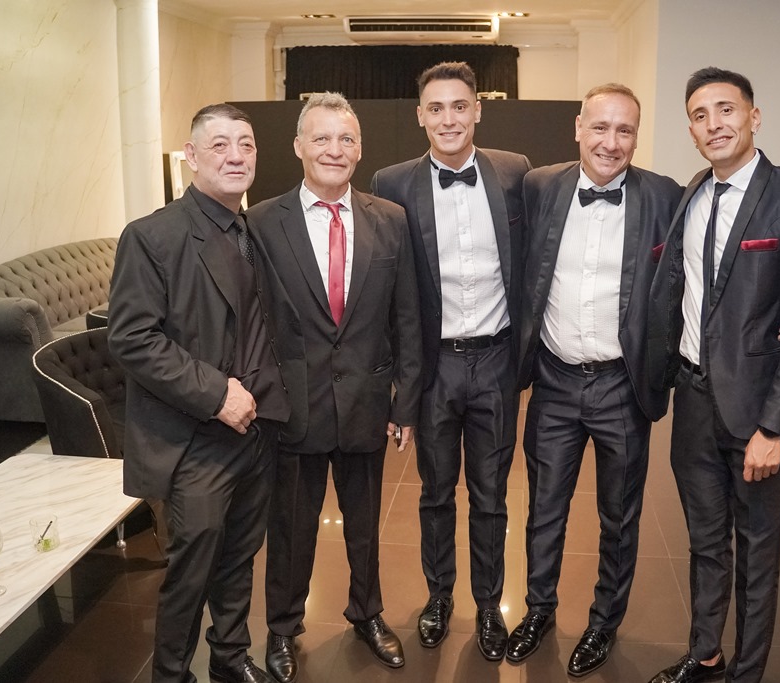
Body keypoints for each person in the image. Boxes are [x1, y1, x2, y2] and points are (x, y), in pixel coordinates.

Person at [645, 67, 780, 683]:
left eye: (726, 110)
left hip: (756, 412)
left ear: (754, 116)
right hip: (693, 401)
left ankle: (746, 674)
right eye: (700, 116)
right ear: (692, 131)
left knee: (756, 553)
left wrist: (774, 426)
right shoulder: (693, 195)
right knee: (704, 542)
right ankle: (705, 655)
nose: (714, 124)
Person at [107, 103, 287, 683]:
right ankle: (171, 675)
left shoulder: (257, 230)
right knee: (191, 572)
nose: (236, 156)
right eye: (219, 145)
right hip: (196, 438)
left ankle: (230, 661)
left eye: (246, 144)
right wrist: (216, 394)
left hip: (257, 431)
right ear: (190, 156)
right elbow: (132, 339)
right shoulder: (152, 236)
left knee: (239, 558)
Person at [247, 92, 423, 683]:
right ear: (298, 146)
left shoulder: (390, 219)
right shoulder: (262, 222)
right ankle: (282, 627)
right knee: (291, 529)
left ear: (360, 149)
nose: (334, 149)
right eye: (321, 138)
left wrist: (406, 401)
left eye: (346, 139)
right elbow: (253, 321)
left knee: (366, 525)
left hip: (367, 404)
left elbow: (407, 317)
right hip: (292, 408)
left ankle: (367, 614)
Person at [508, 83, 683, 676]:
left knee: (619, 516)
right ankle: (538, 609)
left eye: (624, 130)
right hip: (555, 381)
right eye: (600, 127)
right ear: (578, 128)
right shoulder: (540, 186)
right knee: (544, 508)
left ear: (636, 135)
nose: (611, 142)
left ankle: (604, 622)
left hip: (622, 386)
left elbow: (695, 274)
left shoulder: (665, 196)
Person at [370, 61, 531, 662]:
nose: (448, 119)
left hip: (496, 360)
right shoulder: (391, 183)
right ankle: (439, 597)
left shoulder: (514, 172)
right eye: (435, 108)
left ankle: (488, 605)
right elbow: (386, 289)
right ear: (420, 116)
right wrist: (398, 384)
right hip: (432, 366)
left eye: (459, 106)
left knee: (491, 494)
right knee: (435, 492)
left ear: (477, 110)